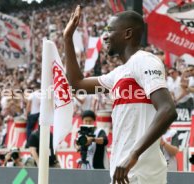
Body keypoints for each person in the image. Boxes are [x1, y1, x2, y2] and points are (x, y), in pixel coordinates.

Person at [64, 6, 177, 184]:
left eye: (110, 30)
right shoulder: (118, 74)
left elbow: (168, 109)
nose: (105, 36)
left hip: (141, 174)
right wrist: (67, 38)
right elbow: (77, 84)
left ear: (127, 34)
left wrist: (134, 154)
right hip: (124, 173)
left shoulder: (144, 61)